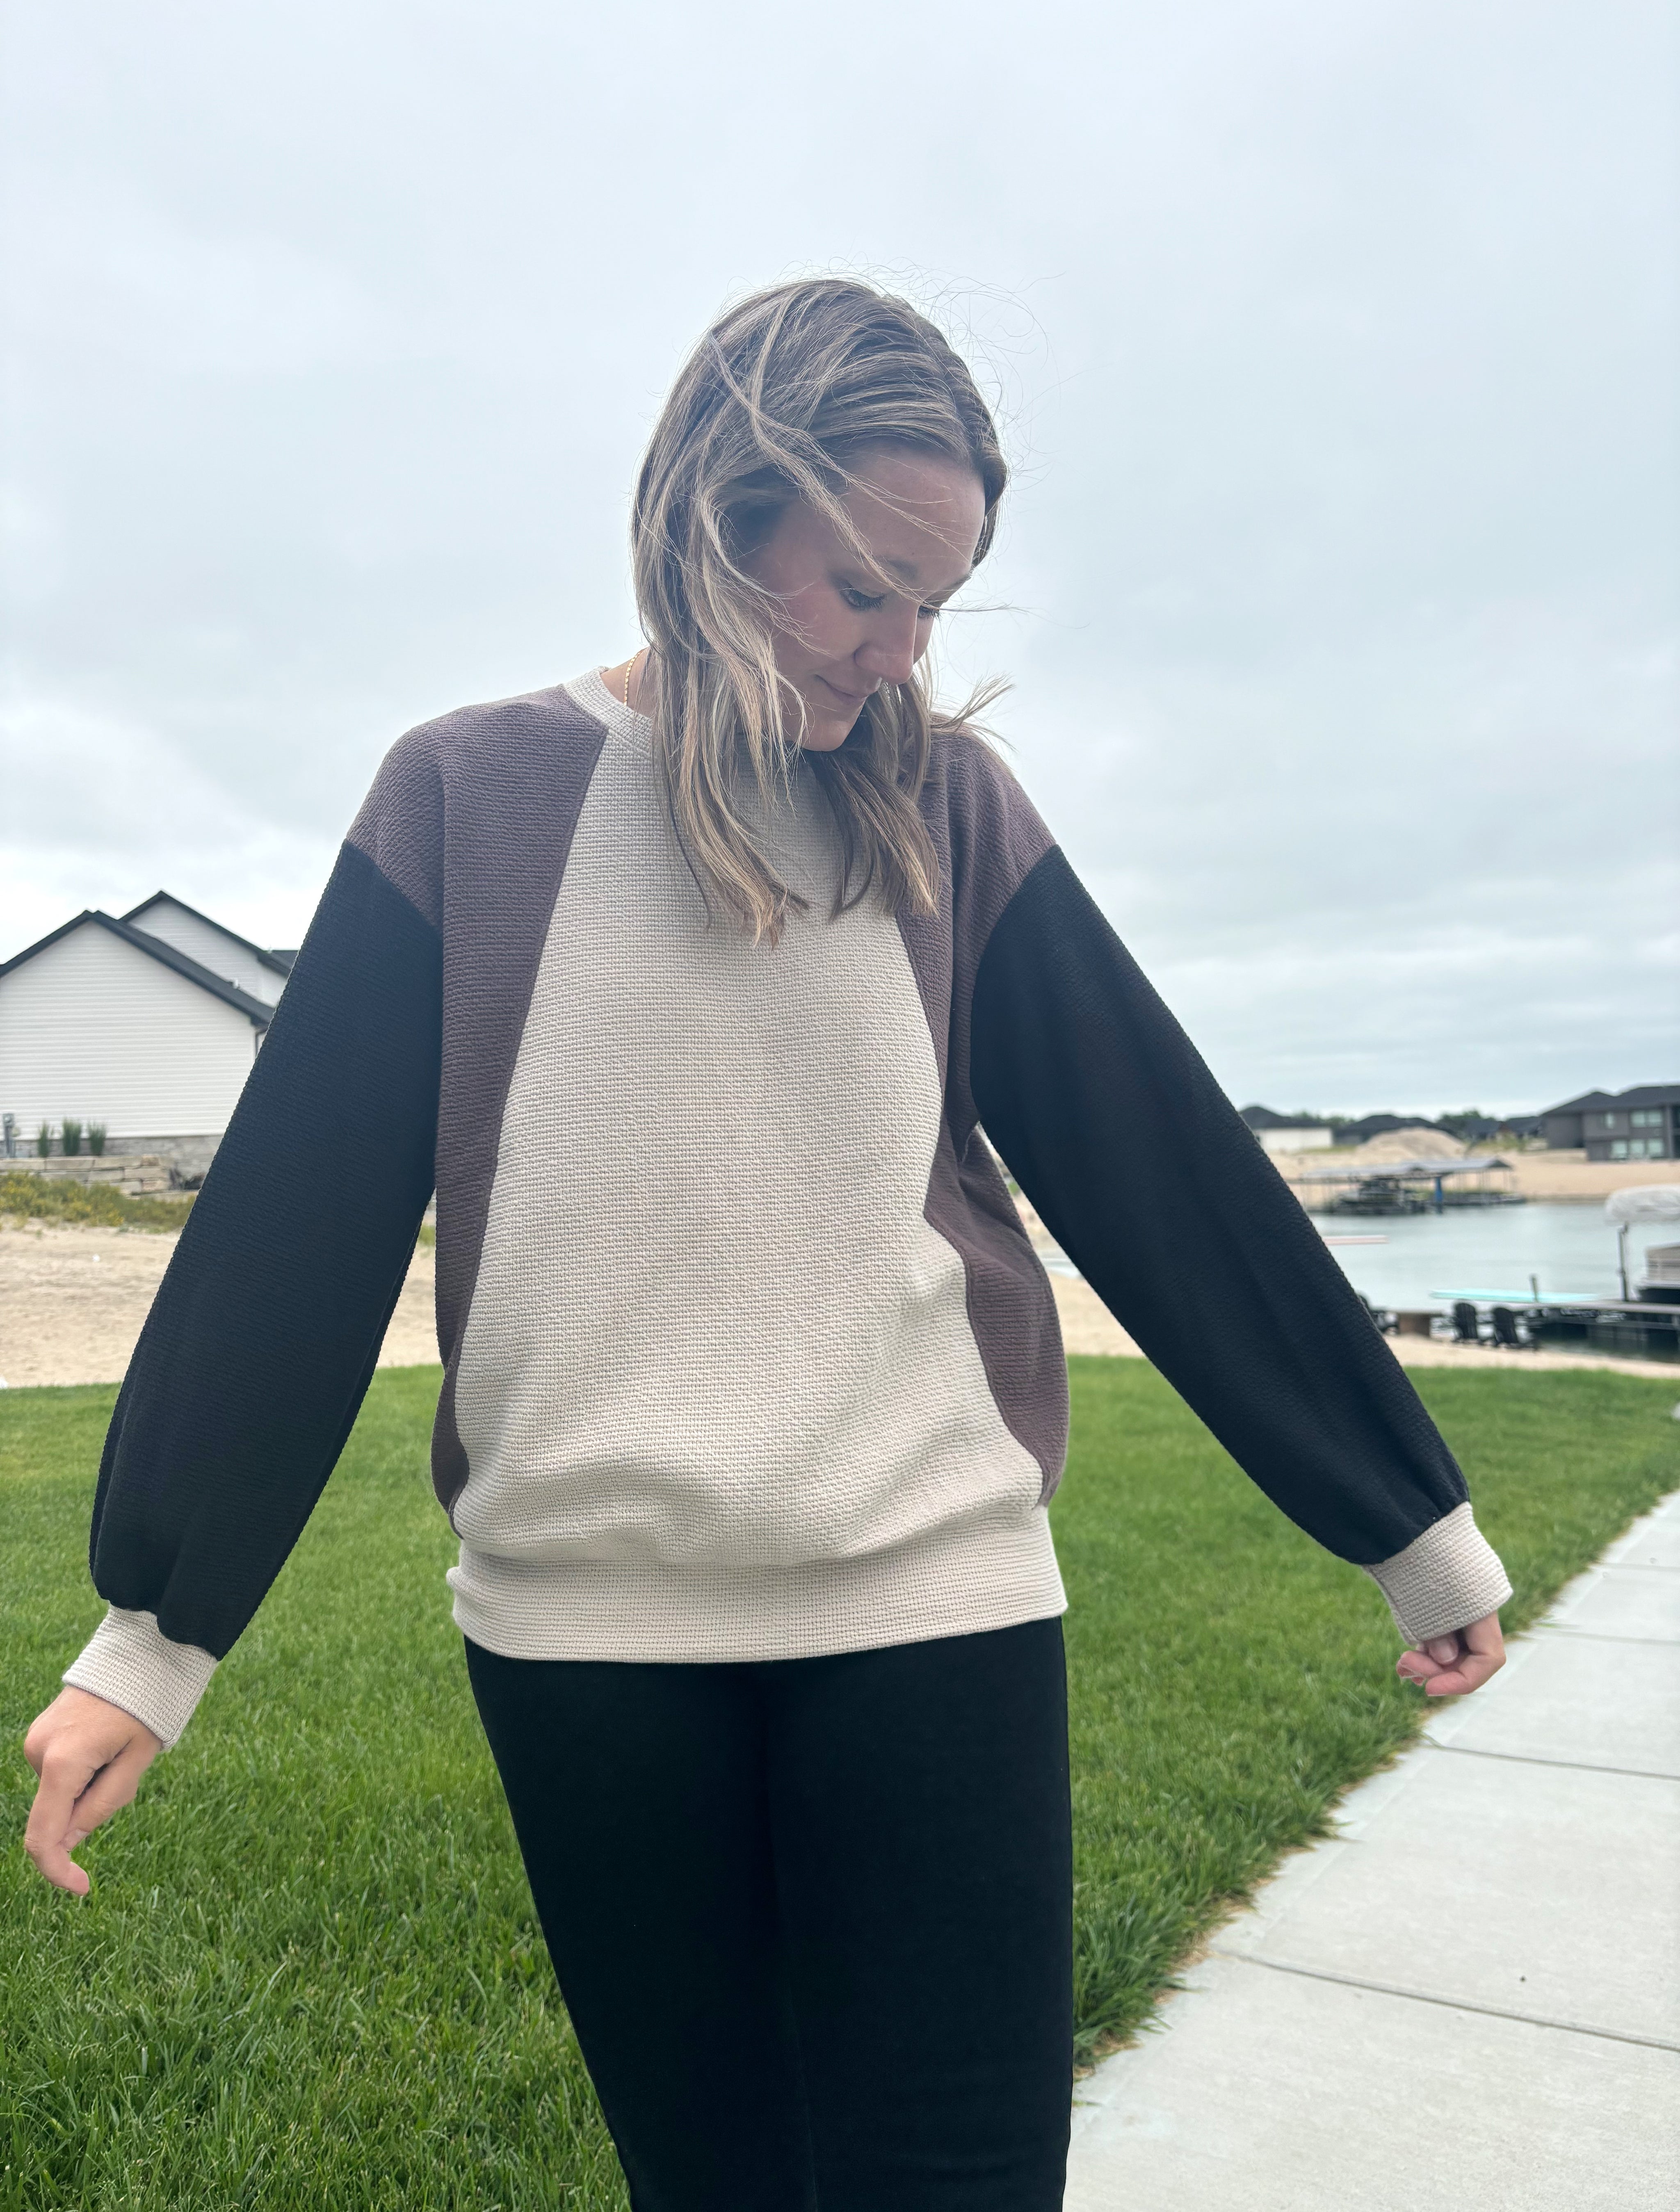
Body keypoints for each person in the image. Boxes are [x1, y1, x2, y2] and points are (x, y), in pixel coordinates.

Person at [23, 277, 1509, 2211]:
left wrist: (1408, 1525)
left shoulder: (948, 812)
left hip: (935, 1601)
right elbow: (293, 1223)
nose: (900, 655)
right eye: (866, 585)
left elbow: (1160, 1167)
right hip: (586, 1637)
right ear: (714, 517)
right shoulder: (467, 793)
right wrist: (151, 1638)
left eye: (938, 609)